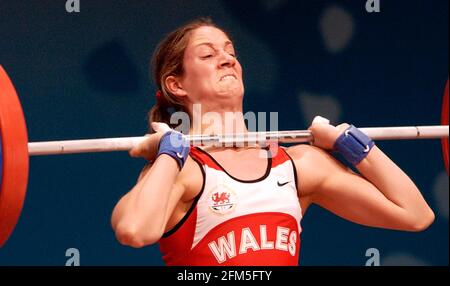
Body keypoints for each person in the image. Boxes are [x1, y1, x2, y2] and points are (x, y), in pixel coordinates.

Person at [110, 18, 434, 266]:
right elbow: (134, 230)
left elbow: (415, 215)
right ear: (176, 85)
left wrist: (350, 144)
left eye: (230, 52)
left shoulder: (299, 165)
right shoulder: (184, 170)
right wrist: (169, 155)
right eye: (208, 54)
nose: (228, 60)